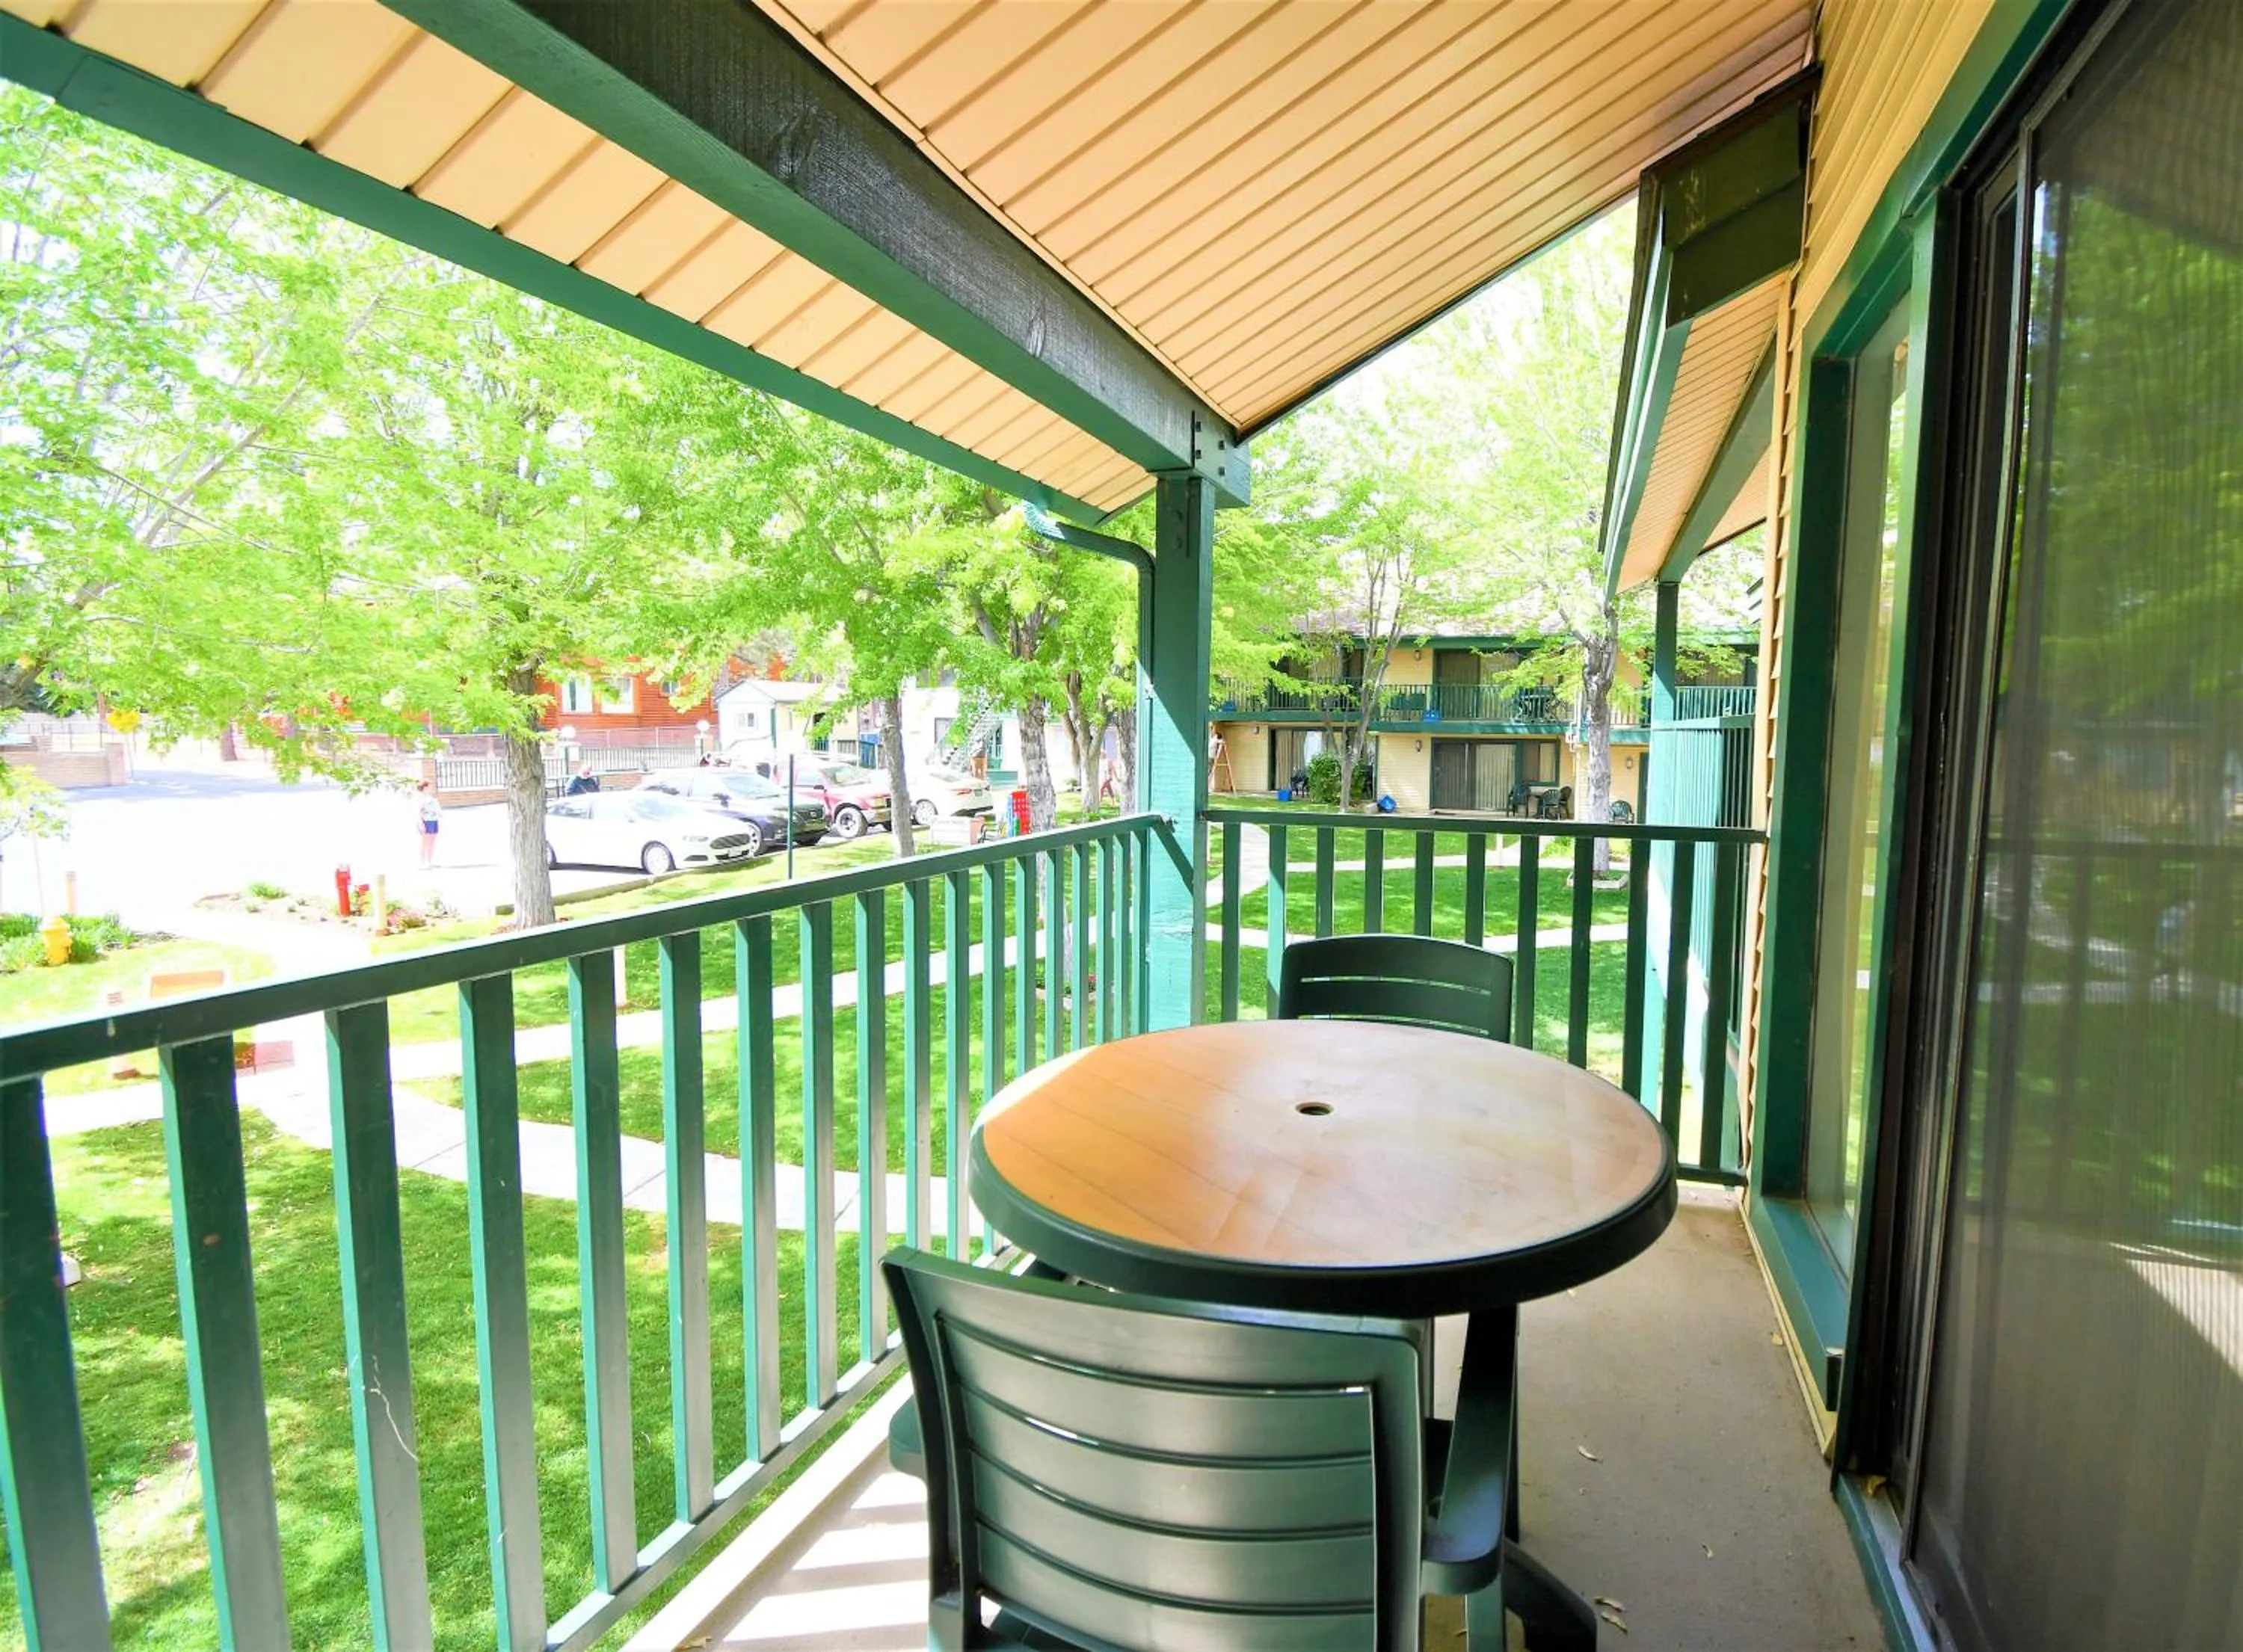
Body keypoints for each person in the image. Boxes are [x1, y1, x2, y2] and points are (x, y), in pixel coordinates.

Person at [415, 781, 441, 868]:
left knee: (432, 842)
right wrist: (420, 822)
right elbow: (418, 811)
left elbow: (437, 810)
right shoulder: (421, 798)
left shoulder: (432, 798)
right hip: (426, 822)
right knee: (425, 843)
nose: (432, 788)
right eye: (430, 786)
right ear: (425, 788)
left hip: (434, 821)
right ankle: (422, 862)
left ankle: (429, 861)